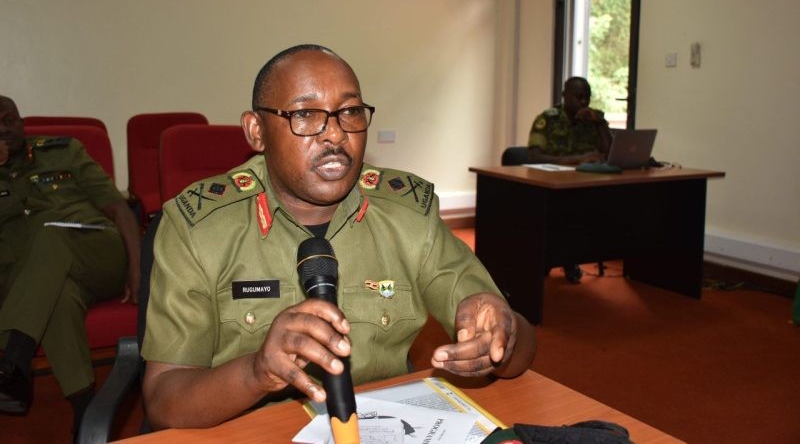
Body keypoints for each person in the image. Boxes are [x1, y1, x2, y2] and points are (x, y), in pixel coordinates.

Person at [141, 44, 537, 429]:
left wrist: (503, 337)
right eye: (305, 115)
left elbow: (519, 349)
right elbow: (164, 401)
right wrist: (257, 371)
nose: (335, 135)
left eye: (349, 112)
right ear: (256, 131)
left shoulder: (407, 215)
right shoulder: (199, 227)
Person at [0, 96, 141, 433]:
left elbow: (119, 209)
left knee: (51, 233)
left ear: (22, 122)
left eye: (10, 120)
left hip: (97, 253)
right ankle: (86, 415)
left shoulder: (64, 151)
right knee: (58, 297)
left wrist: (138, 271)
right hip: (36, 277)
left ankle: (13, 358)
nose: (5, 129)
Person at [527, 77, 613, 283]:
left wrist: (600, 123)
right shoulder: (548, 119)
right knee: (565, 211)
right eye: (579, 97)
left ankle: (571, 255)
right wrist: (577, 159)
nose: (584, 102)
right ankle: (560, 257)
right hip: (550, 186)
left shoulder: (594, 119)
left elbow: (610, 153)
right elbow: (534, 156)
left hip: (584, 184)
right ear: (565, 95)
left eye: (587, 97)